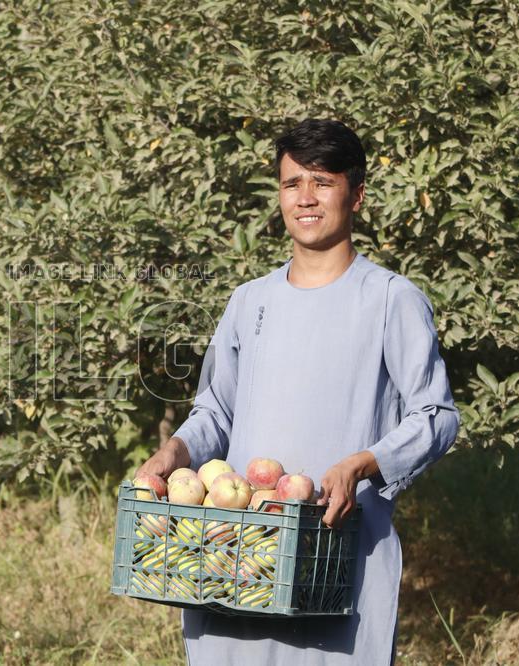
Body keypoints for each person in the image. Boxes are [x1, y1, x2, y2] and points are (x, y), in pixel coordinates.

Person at [136, 118, 460, 665]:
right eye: (292, 184)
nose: (305, 199)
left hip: (336, 559)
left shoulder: (391, 300)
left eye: (322, 182)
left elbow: (436, 415)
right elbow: (216, 410)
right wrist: (176, 451)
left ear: (356, 194)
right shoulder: (249, 302)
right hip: (241, 555)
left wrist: (361, 464)